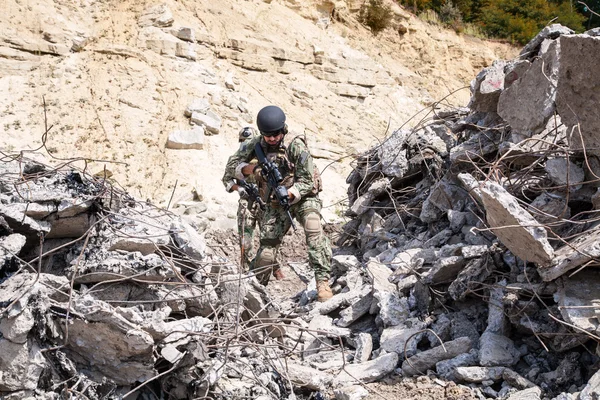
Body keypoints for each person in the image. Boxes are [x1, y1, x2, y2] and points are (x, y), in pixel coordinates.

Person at [222, 105, 333, 302]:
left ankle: (323, 282)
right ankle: (253, 294)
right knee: (266, 253)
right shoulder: (255, 143)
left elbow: (307, 180)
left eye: (275, 134)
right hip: (275, 202)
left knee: (313, 227)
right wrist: (252, 169)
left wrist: (291, 193)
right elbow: (231, 167)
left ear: (282, 130)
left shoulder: (295, 146)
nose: (272, 139)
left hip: (303, 196)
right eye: (267, 135)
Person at [222, 127, 267, 272]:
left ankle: (269, 269)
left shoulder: (264, 158)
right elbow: (226, 180)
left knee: (269, 239)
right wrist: (239, 189)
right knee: (245, 241)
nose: (245, 144)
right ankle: (245, 270)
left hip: (265, 203)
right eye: (243, 141)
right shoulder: (236, 160)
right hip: (246, 203)